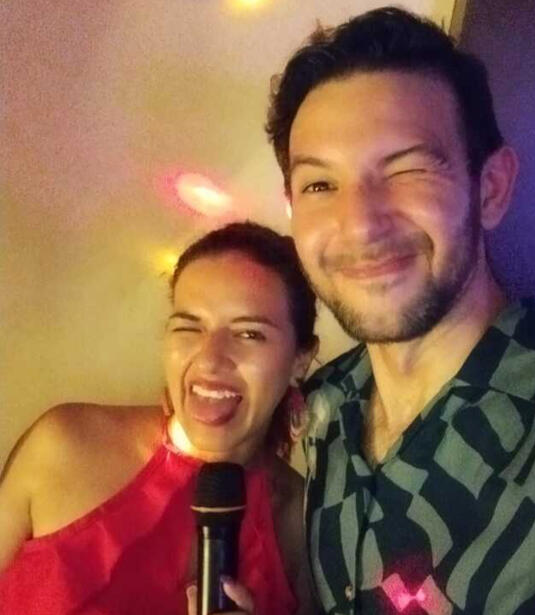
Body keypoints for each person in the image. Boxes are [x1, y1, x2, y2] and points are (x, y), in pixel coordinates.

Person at [265, 6, 535, 614]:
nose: (360, 224)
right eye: (320, 185)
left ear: (491, 188)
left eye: (407, 169)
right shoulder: (324, 407)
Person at [0, 221, 319, 615]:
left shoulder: (304, 523)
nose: (209, 359)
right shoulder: (65, 444)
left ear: (300, 359)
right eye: (188, 327)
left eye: (250, 334)